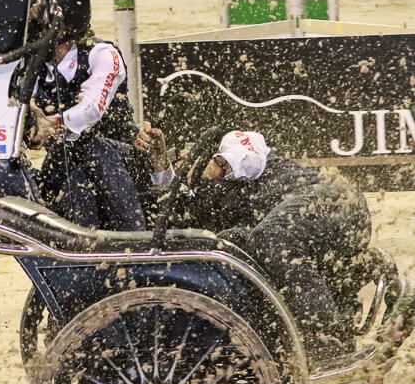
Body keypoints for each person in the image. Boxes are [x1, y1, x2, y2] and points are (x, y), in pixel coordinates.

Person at [143, 127, 372, 359]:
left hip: (331, 199)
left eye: (183, 160)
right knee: (228, 243)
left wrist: (216, 166)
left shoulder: (230, 143)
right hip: (298, 230)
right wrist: (161, 166)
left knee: (270, 237)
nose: (182, 166)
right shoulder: (205, 201)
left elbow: (251, 158)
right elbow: (173, 219)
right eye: (177, 166)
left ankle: (329, 344)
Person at [29, 0, 144, 231]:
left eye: (38, 23)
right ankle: (80, 250)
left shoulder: (102, 54)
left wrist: (51, 125)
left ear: (62, 27)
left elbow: (91, 109)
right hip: (69, 163)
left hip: (123, 158)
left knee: (92, 149)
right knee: (67, 173)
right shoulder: (35, 66)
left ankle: (134, 237)